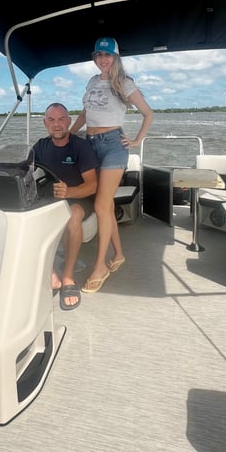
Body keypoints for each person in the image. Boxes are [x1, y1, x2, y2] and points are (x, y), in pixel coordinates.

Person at [70, 36, 153, 293]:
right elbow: (86, 113)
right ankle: (118, 254)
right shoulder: (92, 81)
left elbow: (148, 113)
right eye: (98, 54)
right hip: (90, 144)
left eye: (107, 54)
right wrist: (69, 135)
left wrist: (137, 140)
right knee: (105, 206)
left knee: (100, 205)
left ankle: (100, 267)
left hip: (113, 146)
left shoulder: (124, 83)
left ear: (115, 57)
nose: (102, 59)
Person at [32, 102, 99, 311]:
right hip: (52, 198)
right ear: (45, 123)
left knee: (73, 215)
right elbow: (24, 170)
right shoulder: (40, 146)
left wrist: (68, 192)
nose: (57, 124)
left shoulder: (81, 147)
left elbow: (92, 185)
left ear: (69, 122)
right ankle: (51, 271)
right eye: (51, 120)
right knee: (29, 215)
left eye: (61, 119)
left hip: (80, 196)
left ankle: (68, 276)